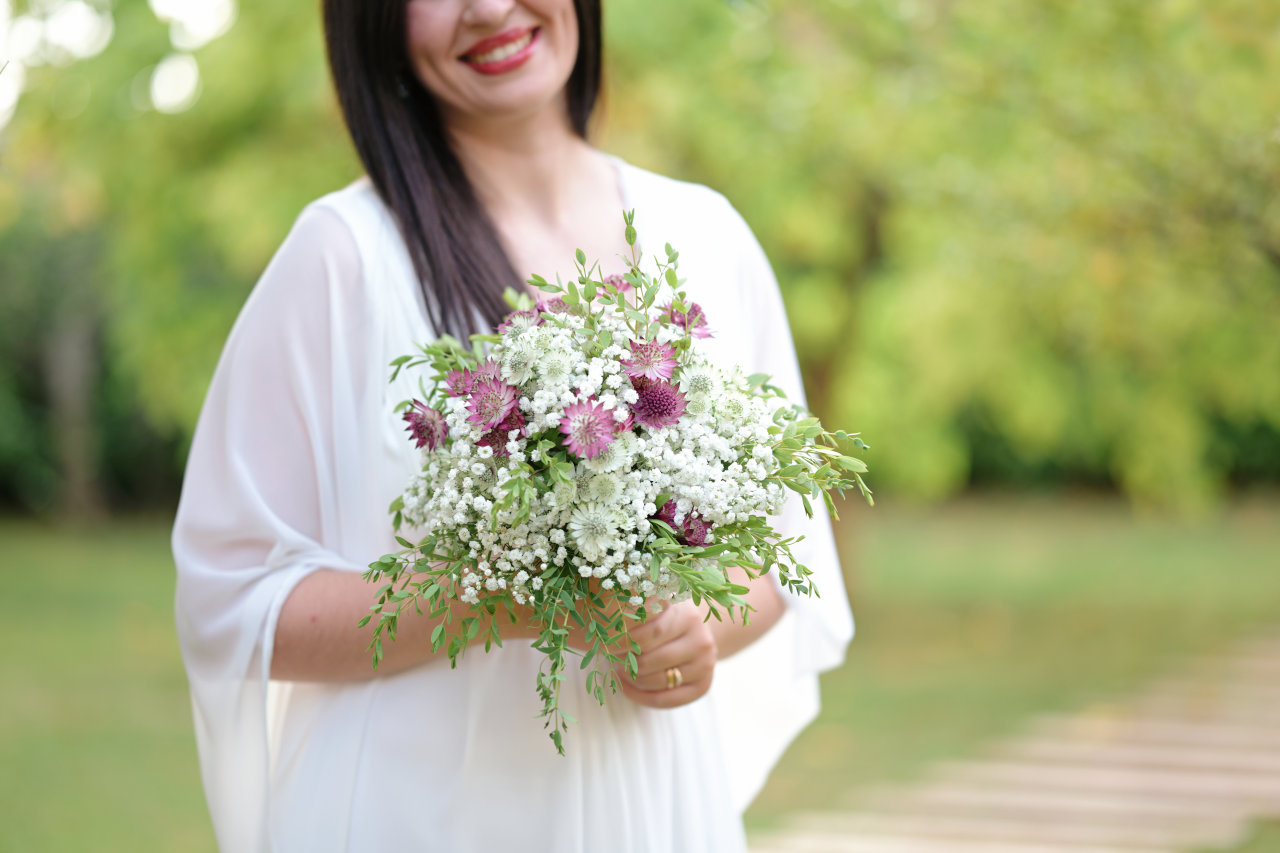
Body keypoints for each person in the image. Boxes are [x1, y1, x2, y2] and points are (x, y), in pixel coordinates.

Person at [172, 0, 853, 851]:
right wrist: (499, 596)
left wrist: (689, 632)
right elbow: (230, 601)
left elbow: (781, 555)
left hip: (646, 805)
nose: (490, 9)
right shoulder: (343, 258)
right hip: (411, 813)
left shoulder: (705, 235)